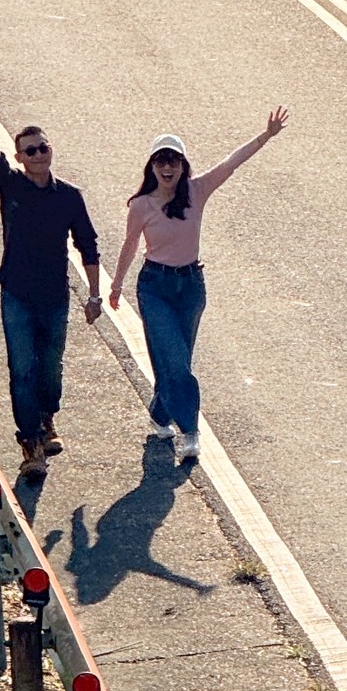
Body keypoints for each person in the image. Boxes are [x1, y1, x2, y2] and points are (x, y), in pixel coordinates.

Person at [108, 109, 289, 465]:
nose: (167, 168)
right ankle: (190, 431)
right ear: (151, 166)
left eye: (174, 161)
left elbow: (231, 163)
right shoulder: (141, 205)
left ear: (183, 165)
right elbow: (130, 244)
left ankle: (161, 414)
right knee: (174, 360)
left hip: (190, 287)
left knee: (177, 359)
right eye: (161, 161)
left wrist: (265, 135)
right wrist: (115, 285)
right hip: (155, 287)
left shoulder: (197, 191)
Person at [0, 85, 102, 479]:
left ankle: (47, 420)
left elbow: (88, 245)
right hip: (16, 294)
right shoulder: (11, 185)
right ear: (20, 158)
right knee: (22, 369)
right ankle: (30, 445)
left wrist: (94, 296)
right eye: (30, 151)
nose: (38, 155)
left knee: (50, 368)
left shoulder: (69, 197)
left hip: (55, 297)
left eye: (43, 148)